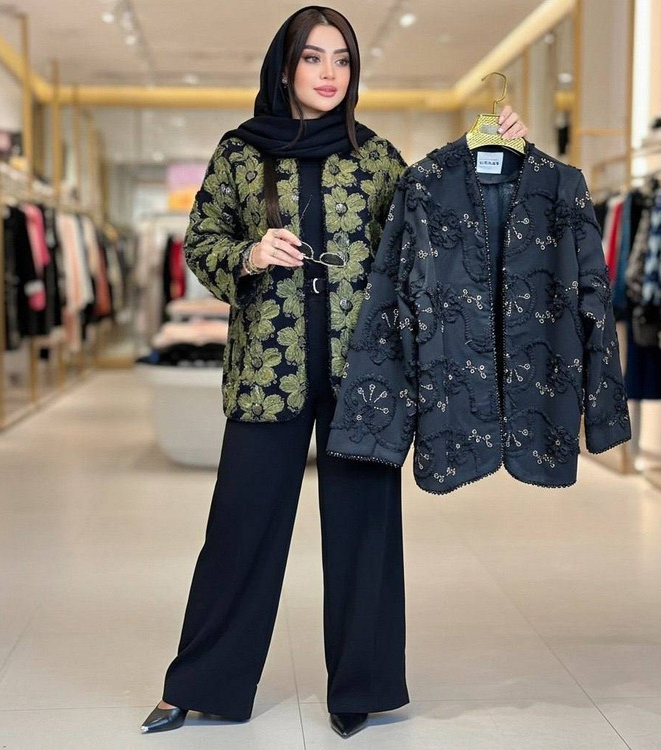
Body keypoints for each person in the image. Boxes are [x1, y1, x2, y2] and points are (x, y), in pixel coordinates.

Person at [141, 5, 528, 739]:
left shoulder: (375, 157)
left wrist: (495, 155)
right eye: (313, 58)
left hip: (363, 376)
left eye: (342, 59)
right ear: (285, 67)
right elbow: (201, 243)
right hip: (268, 375)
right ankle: (201, 683)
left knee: (364, 534)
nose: (329, 73)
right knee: (239, 531)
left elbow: (436, 228)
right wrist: (250, 255)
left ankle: (362, 687)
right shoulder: (240, 153)